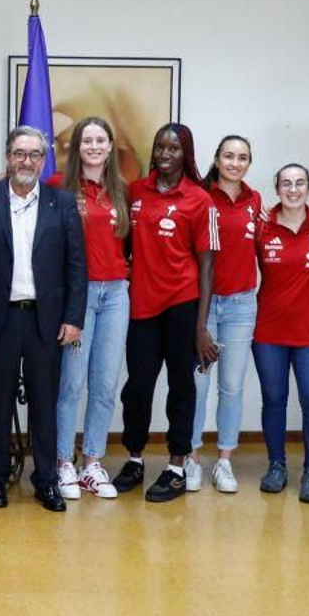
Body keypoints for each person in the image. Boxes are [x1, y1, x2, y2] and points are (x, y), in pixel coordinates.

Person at [0, 126, 86, 512]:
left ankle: (46, 481)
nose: (26, 161)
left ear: (44, 159)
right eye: (19, 153)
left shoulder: (62, 202)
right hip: (1, 321)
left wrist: (74, 318)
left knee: (44, 404)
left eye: (34, 154)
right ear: (7, 157)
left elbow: (76, 266)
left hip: (47, 321)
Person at [115, 123, 220, 503]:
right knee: (137, 389)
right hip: (141, 306)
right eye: (160, 146)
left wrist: (201, 327)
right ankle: (134, 458)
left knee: (181, 388)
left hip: (181, 304)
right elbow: (123, 246)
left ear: (185, 153)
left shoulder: (199, 199)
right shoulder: (135, 191)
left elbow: (207, 267)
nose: (164, 154)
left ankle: (177, 466)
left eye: (173, 148)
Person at [47, 117, 129, 501]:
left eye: (101, 140)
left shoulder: (122, 191)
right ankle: (63, 461)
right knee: (72, 384)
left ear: (111, 147)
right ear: (76, 147)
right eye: (87, 140)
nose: (94, 146)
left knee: (105, 385)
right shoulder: (59, 188)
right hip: (77, 297)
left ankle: (92, 462)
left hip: (115, 295)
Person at [253, 164, 309, 502]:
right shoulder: (262, 226)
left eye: (300, 183)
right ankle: (276, 466)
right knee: (274, 400)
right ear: (277, 187)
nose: (293, 189)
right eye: (286, 183)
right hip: (269, 331)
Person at [188, 134, 261, 494]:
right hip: (205, 305)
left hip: (242, 304)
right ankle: (191, 459)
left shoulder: (254, 200)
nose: (235, 162)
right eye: (228, 156)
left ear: (249, 163)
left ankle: (225, 461)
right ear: (216, 160)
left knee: (231, 387)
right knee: (198, 386)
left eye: (242, 157)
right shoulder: (201, 198)